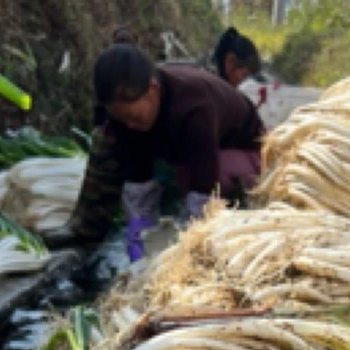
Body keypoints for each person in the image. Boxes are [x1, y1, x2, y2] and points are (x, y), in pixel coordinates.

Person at [63, 44, 265, 262]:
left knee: (191, 178)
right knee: (112, 141)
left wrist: (186, 249)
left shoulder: (195, 109)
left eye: (135, 117)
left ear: (152, 89)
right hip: (181, 150)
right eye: (123, 119)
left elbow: (204, 189)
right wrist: (139, 236)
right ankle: (92, 232)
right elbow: (137, 182)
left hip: (243, 150)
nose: (130, 125)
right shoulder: (125, 118)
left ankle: (226, 226)